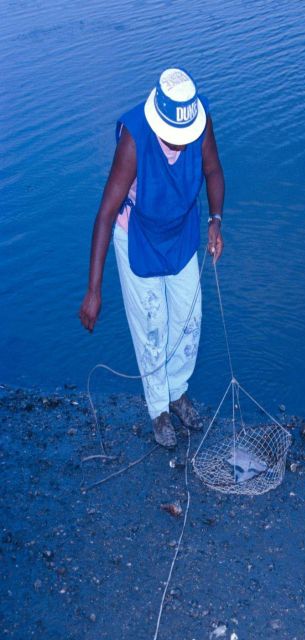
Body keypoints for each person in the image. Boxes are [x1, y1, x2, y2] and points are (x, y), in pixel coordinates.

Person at [79, 67, 224, 449]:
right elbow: (105, 214)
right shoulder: (134, 140)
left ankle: (178, 392)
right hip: (138, 236)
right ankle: (159, 408)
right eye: (171, 138)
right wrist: (94, 290)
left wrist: (216, 220)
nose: (178, 145)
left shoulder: (201, 124)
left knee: (189, 320)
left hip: (180, 233)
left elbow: (213, 171)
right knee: (152, 327)